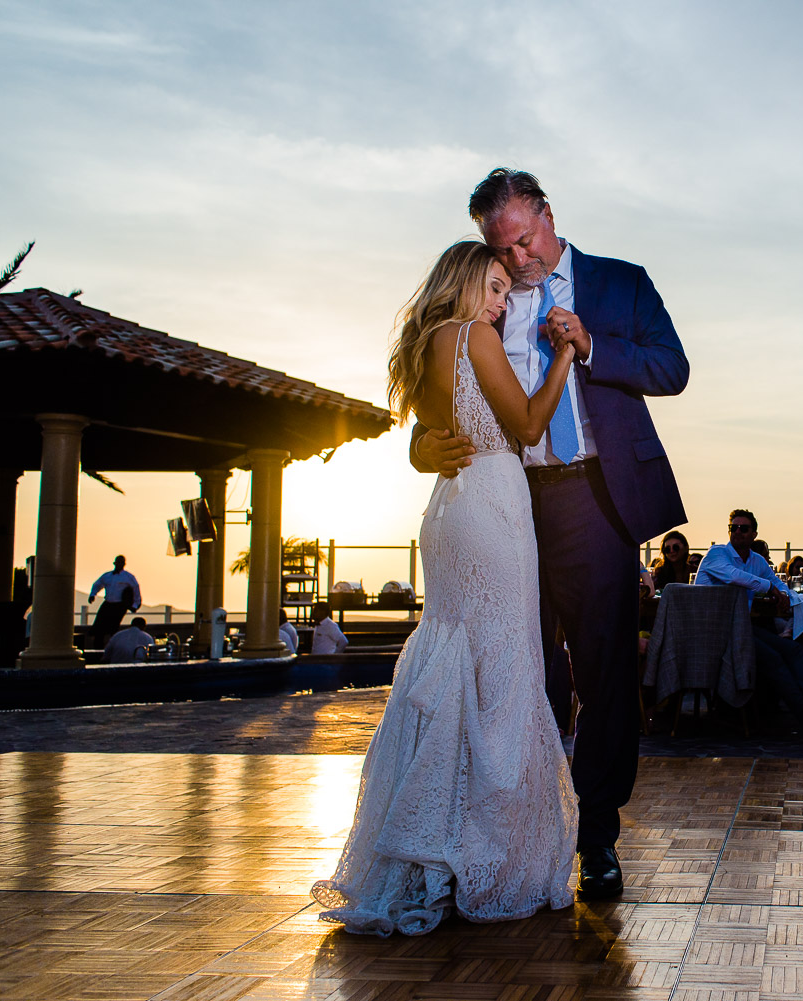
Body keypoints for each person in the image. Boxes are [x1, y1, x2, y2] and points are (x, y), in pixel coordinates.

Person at [407, 170, 688, 900]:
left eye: (525, 240)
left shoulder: (622, 282)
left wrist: (591, 345)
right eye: (500, 246)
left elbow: (672, 368)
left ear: (547, 215)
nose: (518, 258)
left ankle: (595, 835)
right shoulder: (484, 298)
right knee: (513, 671)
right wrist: (420, 448)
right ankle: (501, 836)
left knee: (603, 674)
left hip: (593, 498)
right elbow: (440, 396)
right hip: (506, 501)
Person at [314, 239, 582, 935]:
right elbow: (526, 426)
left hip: (447, 508)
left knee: (454, 662)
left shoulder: (425, 343)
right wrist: (563, 358)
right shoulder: (473, 336)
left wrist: (418, 446)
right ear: (463, 285)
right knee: (503, 668)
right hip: (491, 504)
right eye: (492, 287)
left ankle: (429, 856)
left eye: (503, 290)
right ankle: (486, 858)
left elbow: (422, 441)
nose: (500, 303)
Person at [695, 509, 803, 735]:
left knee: (793, 649)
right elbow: (734, 575)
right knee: (772, 657)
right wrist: (769, 588)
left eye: (744, 528)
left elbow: (778, 583)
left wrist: (784, 595)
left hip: (741, 628)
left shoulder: (757, 560)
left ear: (754, 534)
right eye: (734, 528)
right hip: (713, 632)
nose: (738, 532)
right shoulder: (717, 554)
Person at [87, 555, 141, 647]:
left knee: (113, 627)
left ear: (124, 564)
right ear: (115, 563)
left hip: (119, 606)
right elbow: (97, 584)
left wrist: (135, 605)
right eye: (118, 562)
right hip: (108, 603)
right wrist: (92, 594)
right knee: (99, 626)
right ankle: (98, 647)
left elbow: (136, 590)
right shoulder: (107, 576)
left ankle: (112, 647)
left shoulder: (128, 577)